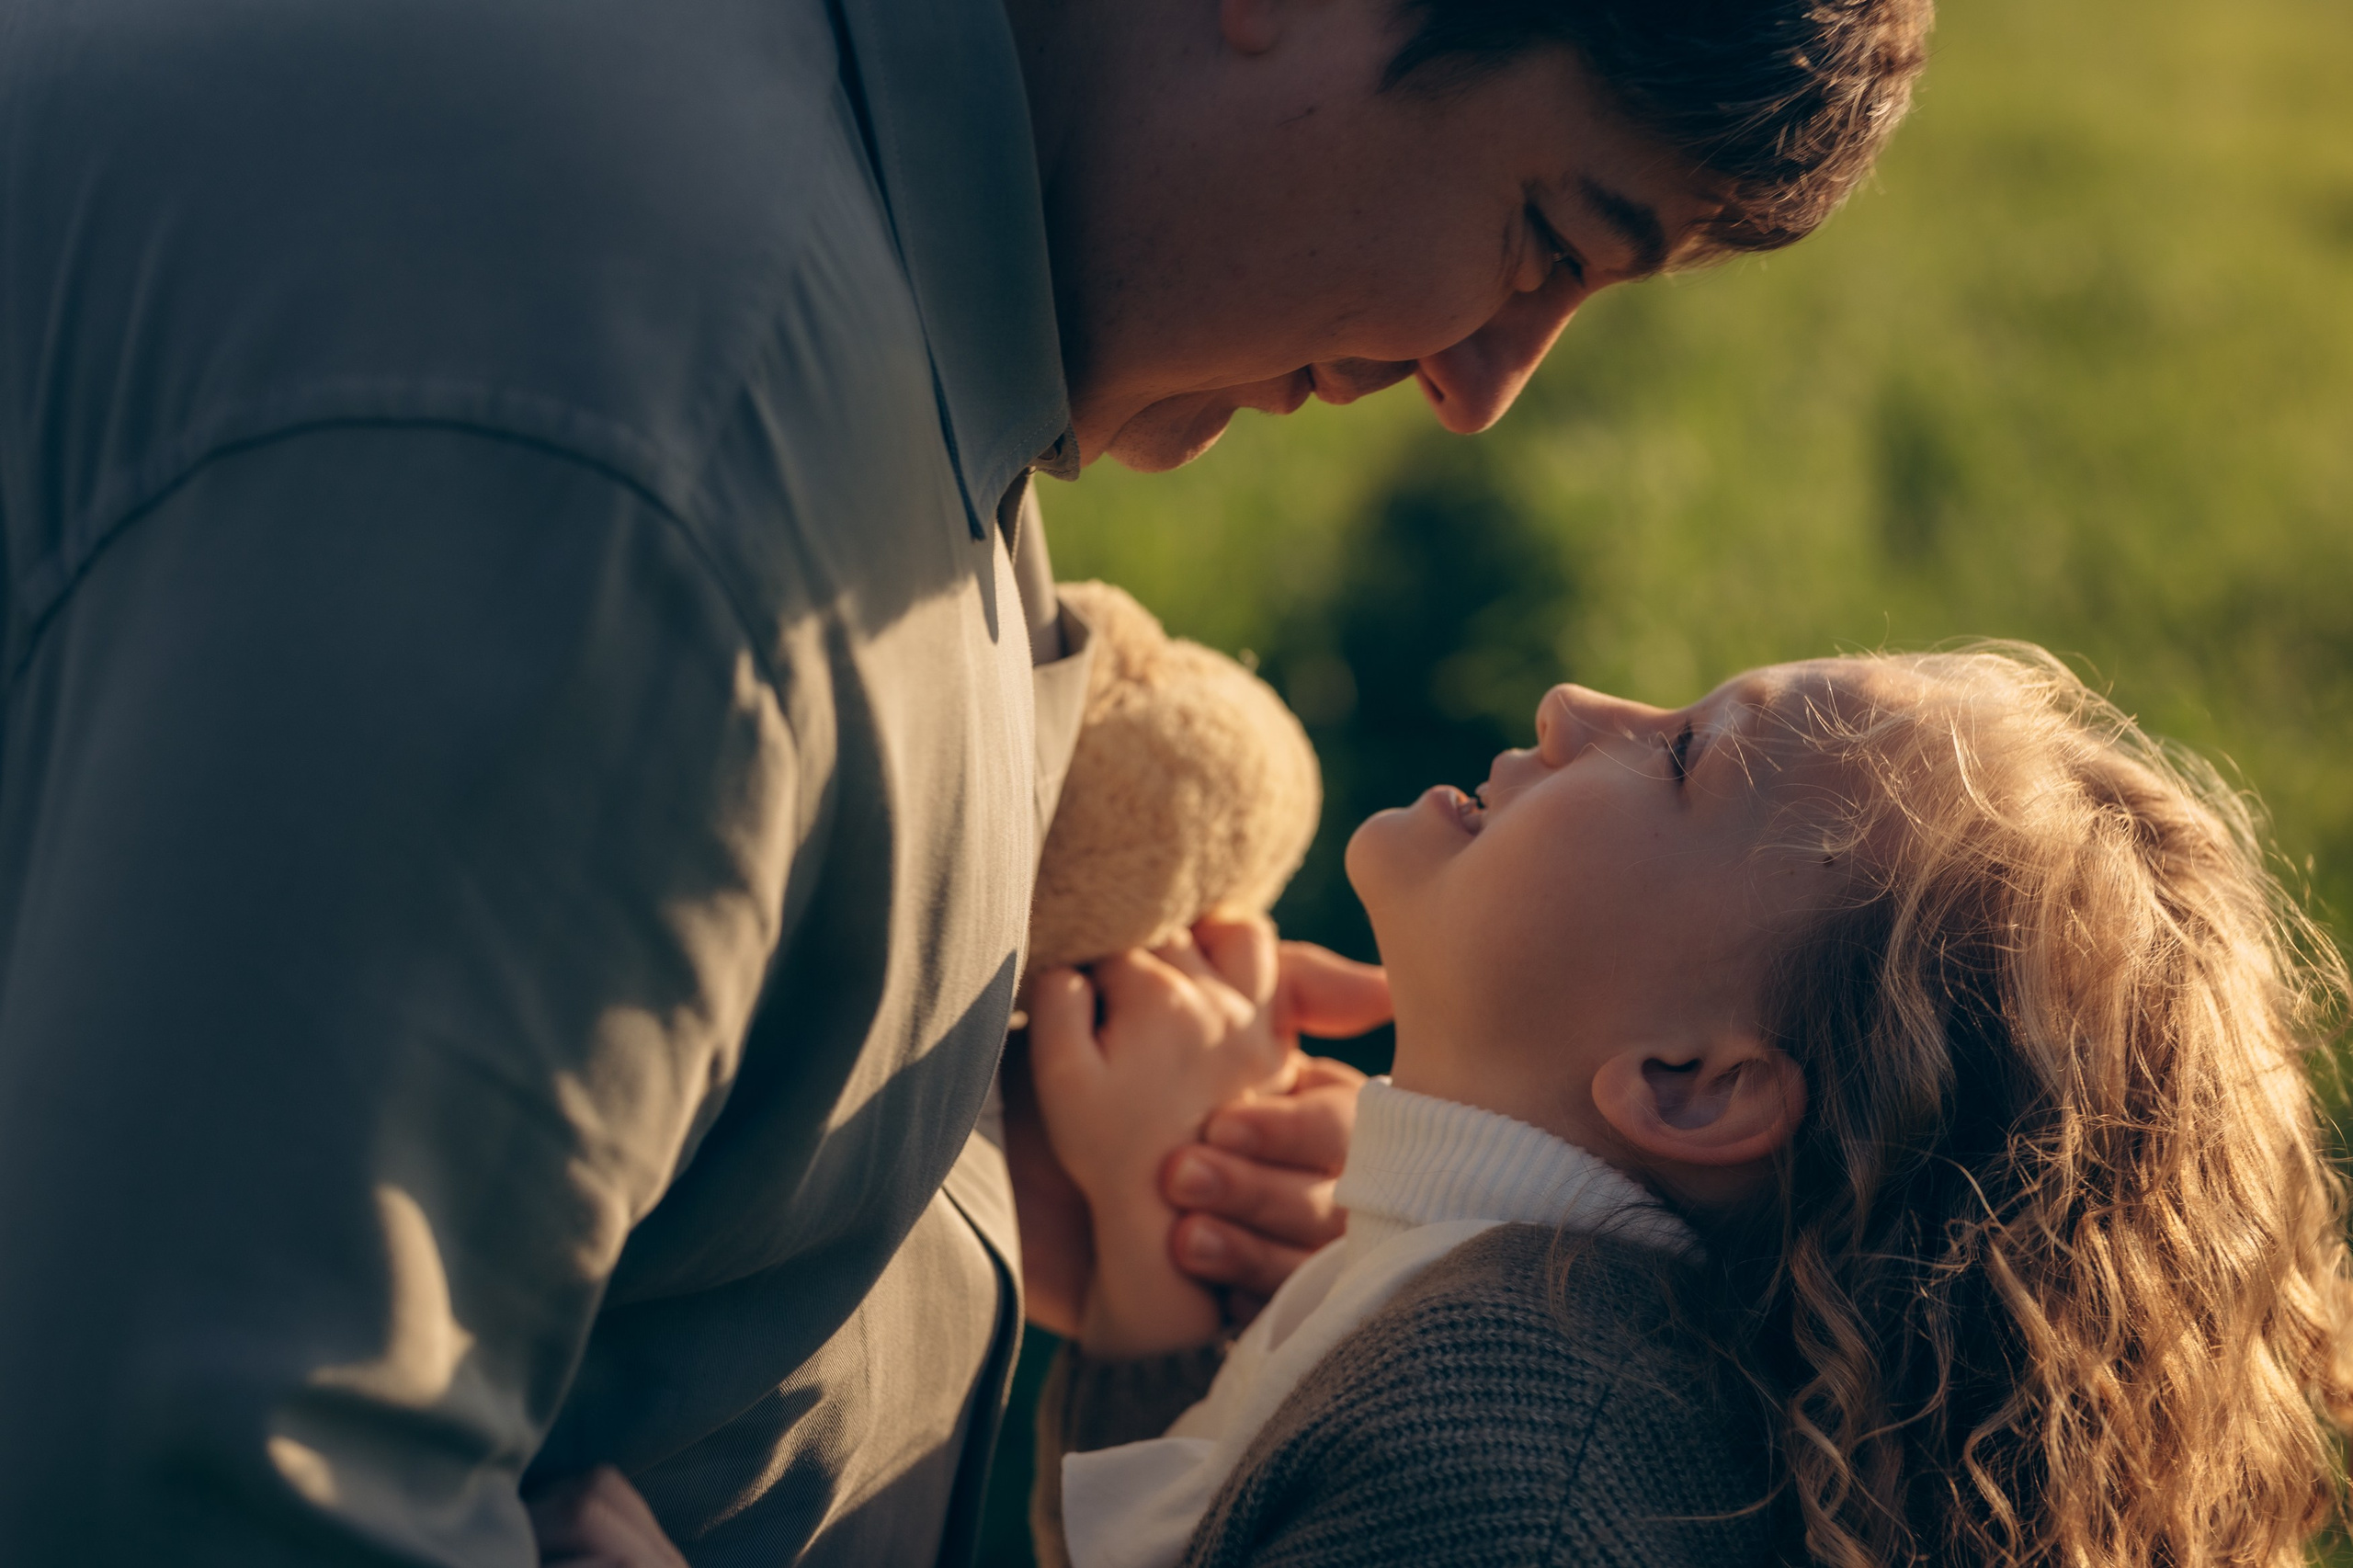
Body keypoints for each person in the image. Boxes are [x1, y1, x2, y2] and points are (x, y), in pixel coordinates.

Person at [0, 3, 1928, 1567]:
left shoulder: (843, 253)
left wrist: (956, 1165)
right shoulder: (653, 436)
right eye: (1542, 234)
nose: (1480, 382)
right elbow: (216, 1484)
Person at [1028, 648, 2353, 1568]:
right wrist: (1160, 1235)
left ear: (1696, 1081)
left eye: (1677, 757)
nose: (1573, 705)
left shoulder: (1507, 1481)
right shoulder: (1523, 1339)